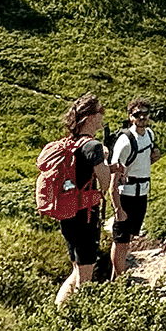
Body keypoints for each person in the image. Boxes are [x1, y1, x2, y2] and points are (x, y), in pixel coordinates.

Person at [55, 93, 111, 306]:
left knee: (76, 270)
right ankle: (78, 317)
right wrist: (105, 160)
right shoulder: (93, 147)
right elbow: (105, 184)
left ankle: (58, 312)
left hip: (68, 213)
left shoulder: (69, 143)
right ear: (89, 117)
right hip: (86, 216)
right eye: (99, 112)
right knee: (85, 276)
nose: (102, 117)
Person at [109, 97, 161, 273]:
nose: (142, 117)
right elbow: (113, 181)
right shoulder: (124, 141)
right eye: (137, 114)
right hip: (126, 196)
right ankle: (118, 280)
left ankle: (119, 276)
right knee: (120, 241)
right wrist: (117, 209)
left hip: (142, 194)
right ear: (130, 117)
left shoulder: (150, 135)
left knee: (128, 237)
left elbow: (141, 165)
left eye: (145, 113)